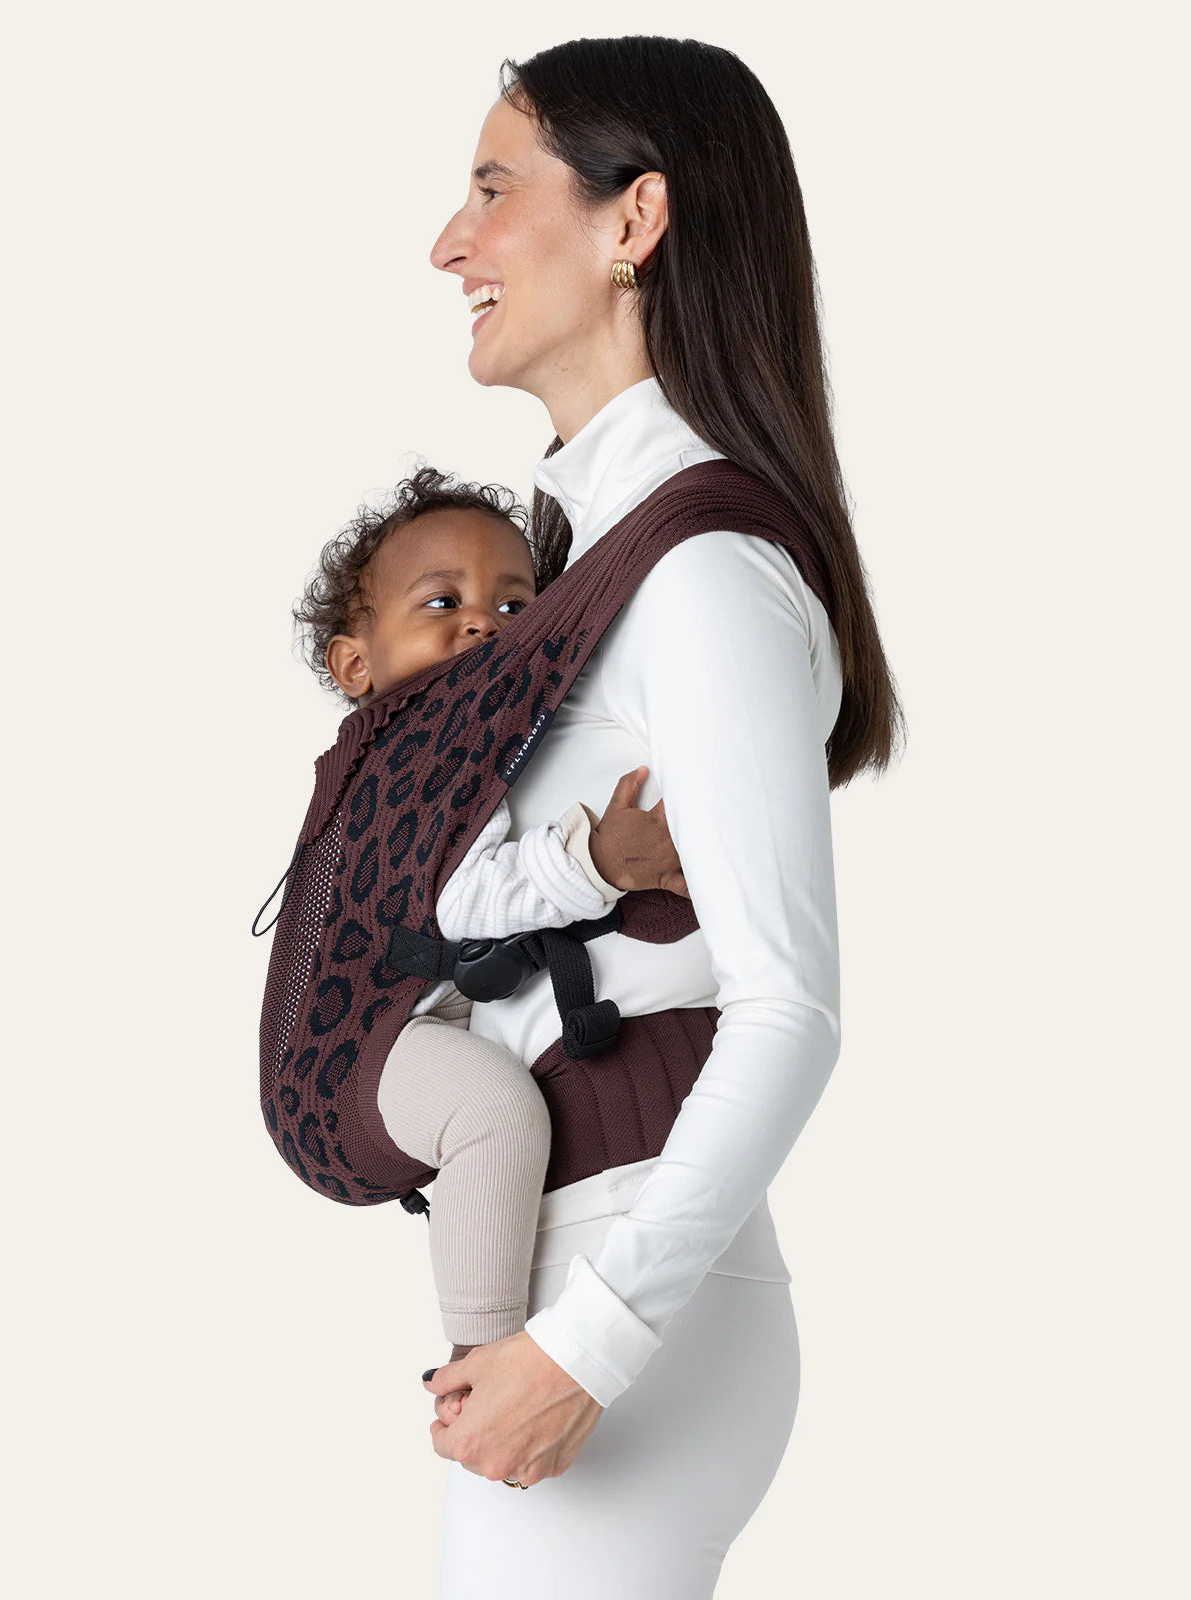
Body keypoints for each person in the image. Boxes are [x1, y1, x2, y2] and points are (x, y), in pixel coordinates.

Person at [421, 36, 902, 1598]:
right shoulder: (596, 550)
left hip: (626, 1282)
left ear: (634, 221)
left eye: (494, 189)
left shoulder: (700, 574)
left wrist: (588, 1344)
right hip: (593, 1253)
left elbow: (790, 1009)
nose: (449, 244)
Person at [291, 462, 688, 1368]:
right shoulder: (410, 753)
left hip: (410, 1034)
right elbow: (457, 900)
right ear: (356, 664)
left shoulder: (472, 732)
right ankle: (480, 1359)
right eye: (443, 602)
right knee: (497, 1114)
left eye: (515, 606)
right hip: (349, 1065)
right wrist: (592, 861)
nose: (482, 622)